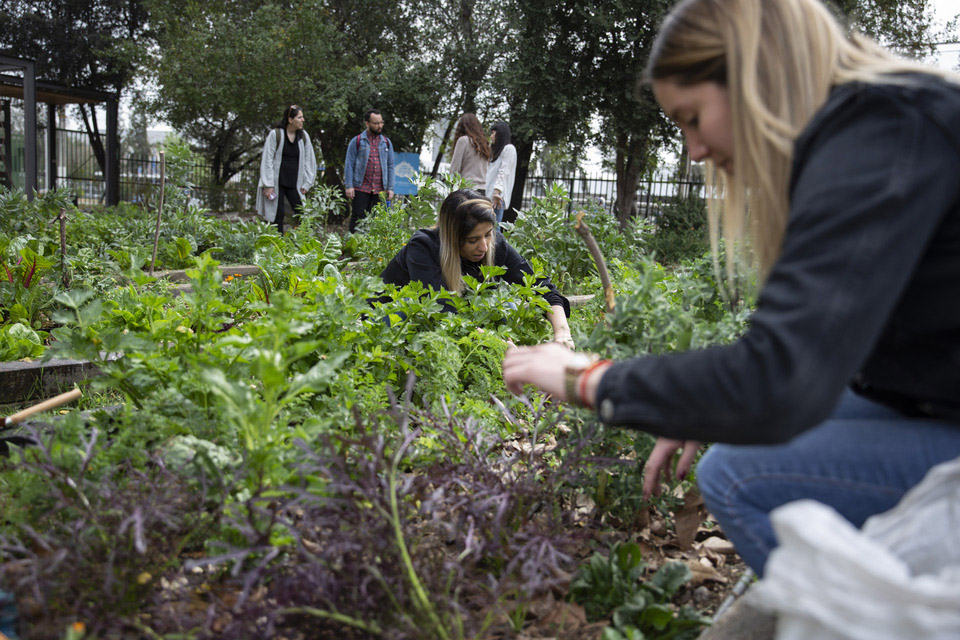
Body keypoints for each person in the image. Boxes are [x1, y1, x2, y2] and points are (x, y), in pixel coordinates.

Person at [502, 0, 960, 576]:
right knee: (740, 441)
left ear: (752, 72)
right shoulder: (882, 119)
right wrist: (705, 406)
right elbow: (818, 356)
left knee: (737, 475)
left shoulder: (881, 131)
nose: (693, 150)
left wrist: (587, 377)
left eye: (692, 117)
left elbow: (780, 379)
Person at [381, 189, 574, 348]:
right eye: (472, 240)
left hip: (453, 322)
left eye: (488, 234)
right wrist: (494, 344)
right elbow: (442, 314)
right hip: (389, 322)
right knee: (403, 309)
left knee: (506, 307)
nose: (483, 246)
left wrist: (563, 333)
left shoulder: (494, 245)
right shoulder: (423, 248)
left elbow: (542, 288)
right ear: (452, 238)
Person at [257, 105, 317, 234]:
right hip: (276, 183)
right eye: (300, 117)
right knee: (277, 215)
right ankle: (277, 245)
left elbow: (310, 161)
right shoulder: (276, 134)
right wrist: (268, 184)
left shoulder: (303, 137)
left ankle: (305, 244)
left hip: (295, 183)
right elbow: (267, 160)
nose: (303, 120)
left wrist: (307, 183)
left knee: (302, 214)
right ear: (290, 120)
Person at [344, 109, 395, 233]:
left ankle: (372, 249)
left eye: (381, 123)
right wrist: (349, 186)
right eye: (376, 123)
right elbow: (349, 164)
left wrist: (390, 187)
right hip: (361, 188)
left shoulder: (386, 143)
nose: (380, 126)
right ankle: (352, 247)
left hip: (380, 189)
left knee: (378, 220)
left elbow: (390, 166)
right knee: (358, 219)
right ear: (367, 123)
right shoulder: (357, 141)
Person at [448, 113, 491, 193]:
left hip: (467, 190)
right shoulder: (484, 144)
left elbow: (454, 170)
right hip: (482, 190)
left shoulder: (463, 141)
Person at [485, 122, 517, 224]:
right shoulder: (495, 153)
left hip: (497, 198)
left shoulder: (508, 149)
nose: (491, 136)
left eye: (493, 133)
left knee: (494, 229)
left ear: (500, 134)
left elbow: (504, 172)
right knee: (488, 229)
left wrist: (496, 192)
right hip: (489, 197)